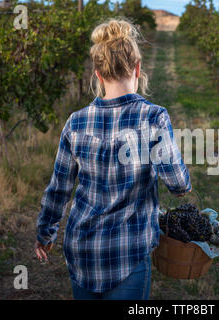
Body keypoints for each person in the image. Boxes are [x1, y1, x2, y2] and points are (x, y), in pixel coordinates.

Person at [34, 18, 191, 300]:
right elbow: (178, 183)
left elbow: (58, 189)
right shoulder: (153, 117)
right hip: (127, 253)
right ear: (138, 68)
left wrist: (46, 233)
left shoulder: (76, 122)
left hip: (82, 251)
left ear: (97, 73)